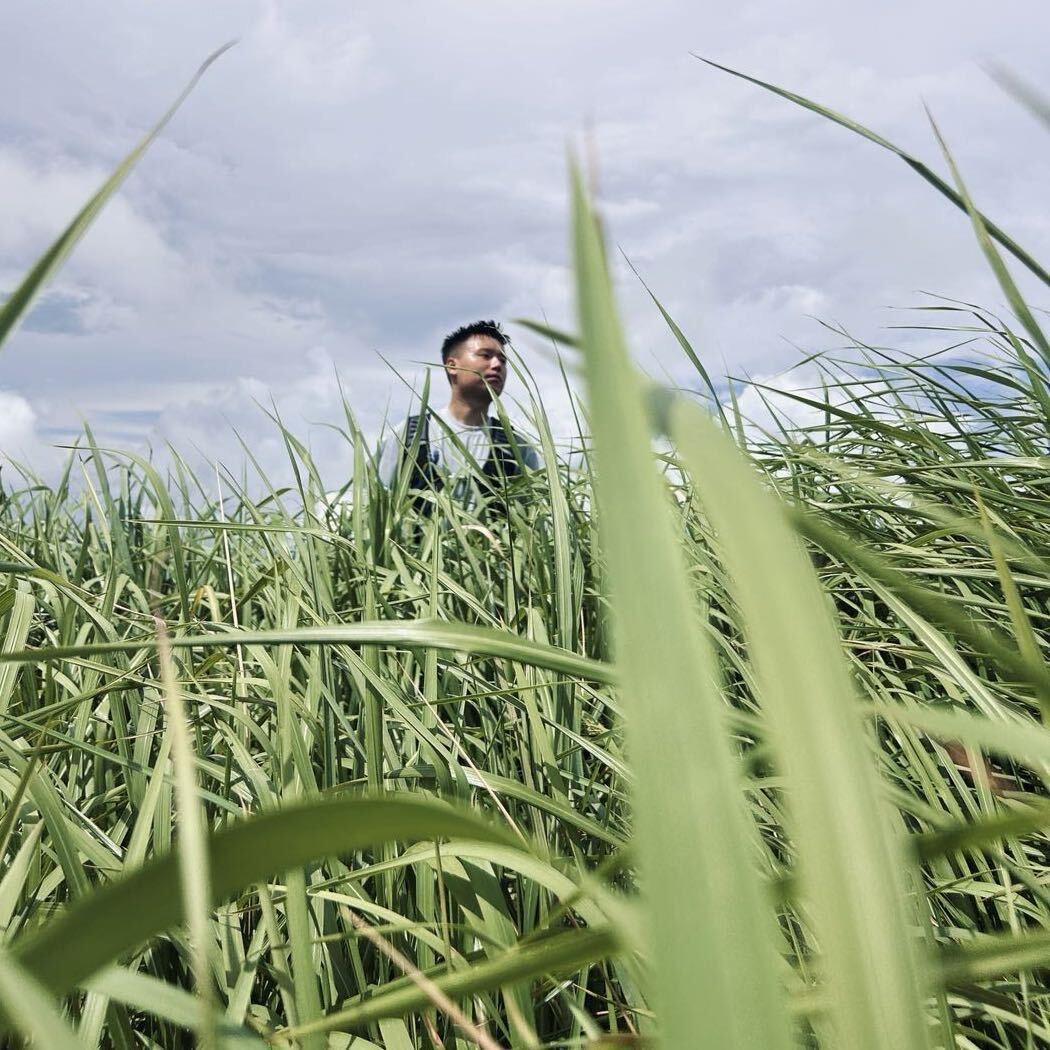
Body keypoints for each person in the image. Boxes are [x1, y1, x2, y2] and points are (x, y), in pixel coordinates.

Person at [378, 320, 541, 511]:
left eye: (503, 360)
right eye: (485, 356)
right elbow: (377, 506)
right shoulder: (409, 436)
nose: (497, 365)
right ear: (452, 366)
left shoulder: (516, 448)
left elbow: (532, 520)